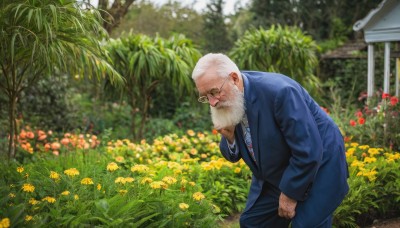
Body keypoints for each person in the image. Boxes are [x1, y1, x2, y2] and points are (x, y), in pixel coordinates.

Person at [191, 53, 349, 228]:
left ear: (234, 79)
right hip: (282, 168)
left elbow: (308, 149)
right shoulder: (229, 97)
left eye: (214, 92)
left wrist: (289, 194)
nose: (212, 102)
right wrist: (230, 139)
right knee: (253, 223)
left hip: (320, 162)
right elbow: (234, 154)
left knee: (306, 225)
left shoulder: (280, 92)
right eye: (205, 97)